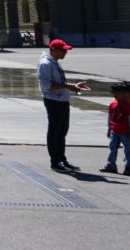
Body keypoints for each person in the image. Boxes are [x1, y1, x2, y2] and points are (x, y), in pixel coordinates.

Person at [37, 39, 90, 172]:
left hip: (62, 100)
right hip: (53, 101)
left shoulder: (55, 62)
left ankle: (62, 159)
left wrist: (73, 86)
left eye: (66, 50)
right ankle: (55, 162)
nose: (65, 52)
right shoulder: (45, 64)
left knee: (62, 131)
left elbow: (59, 82)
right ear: (54, 50)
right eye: (63, 50)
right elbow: (46, 85)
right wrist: (68, 86)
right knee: (55, 132)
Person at [100, 81, 130, 176]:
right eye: (114, 93)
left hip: (125, 132)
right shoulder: (113, 104)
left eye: (118, 93)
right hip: (114, 131)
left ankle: (128, 167)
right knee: (112, 149)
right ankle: (111, 165)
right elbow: (110, 117)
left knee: (128, 150)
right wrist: (109, 129)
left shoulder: (128, 106)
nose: (116, 95)